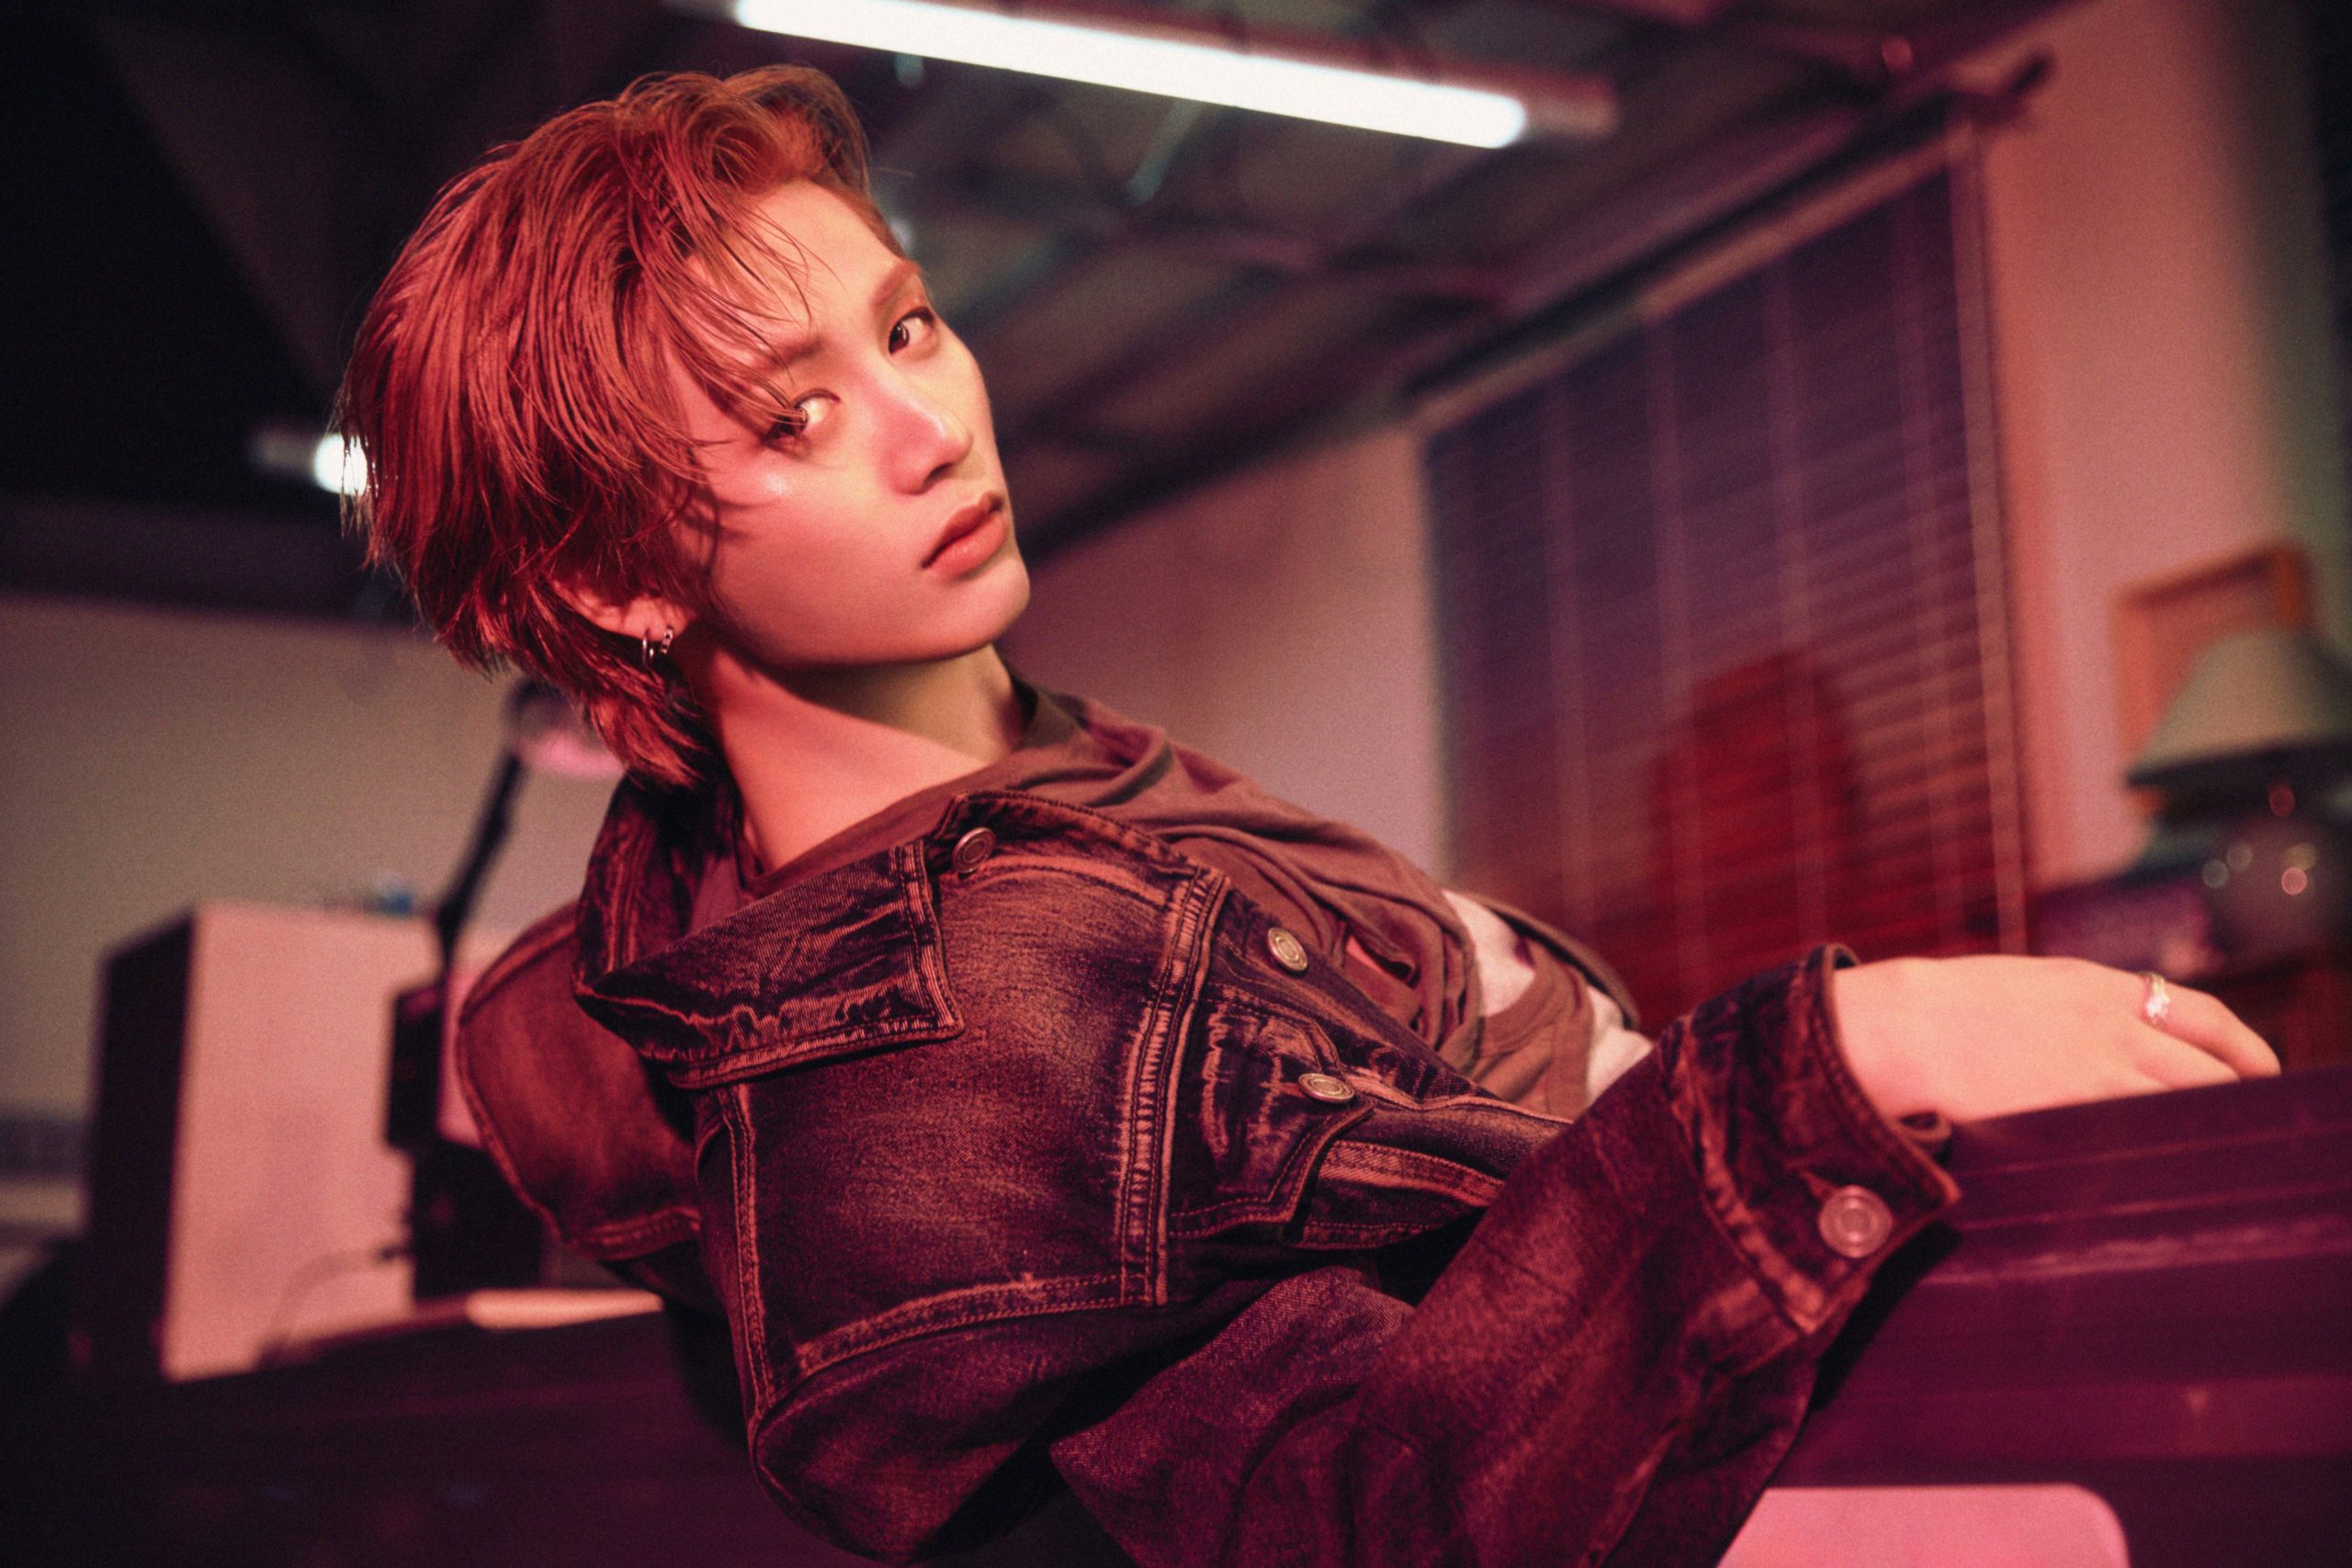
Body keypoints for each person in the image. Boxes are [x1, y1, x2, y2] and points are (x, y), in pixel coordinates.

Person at [337, 65, 2278, 1567]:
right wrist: (1840, 1059)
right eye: (793, 416)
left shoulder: (1037, 794)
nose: (934, 426)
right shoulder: (951, 1039)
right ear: (615, 579)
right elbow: (1372, 1520)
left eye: (907, 327)